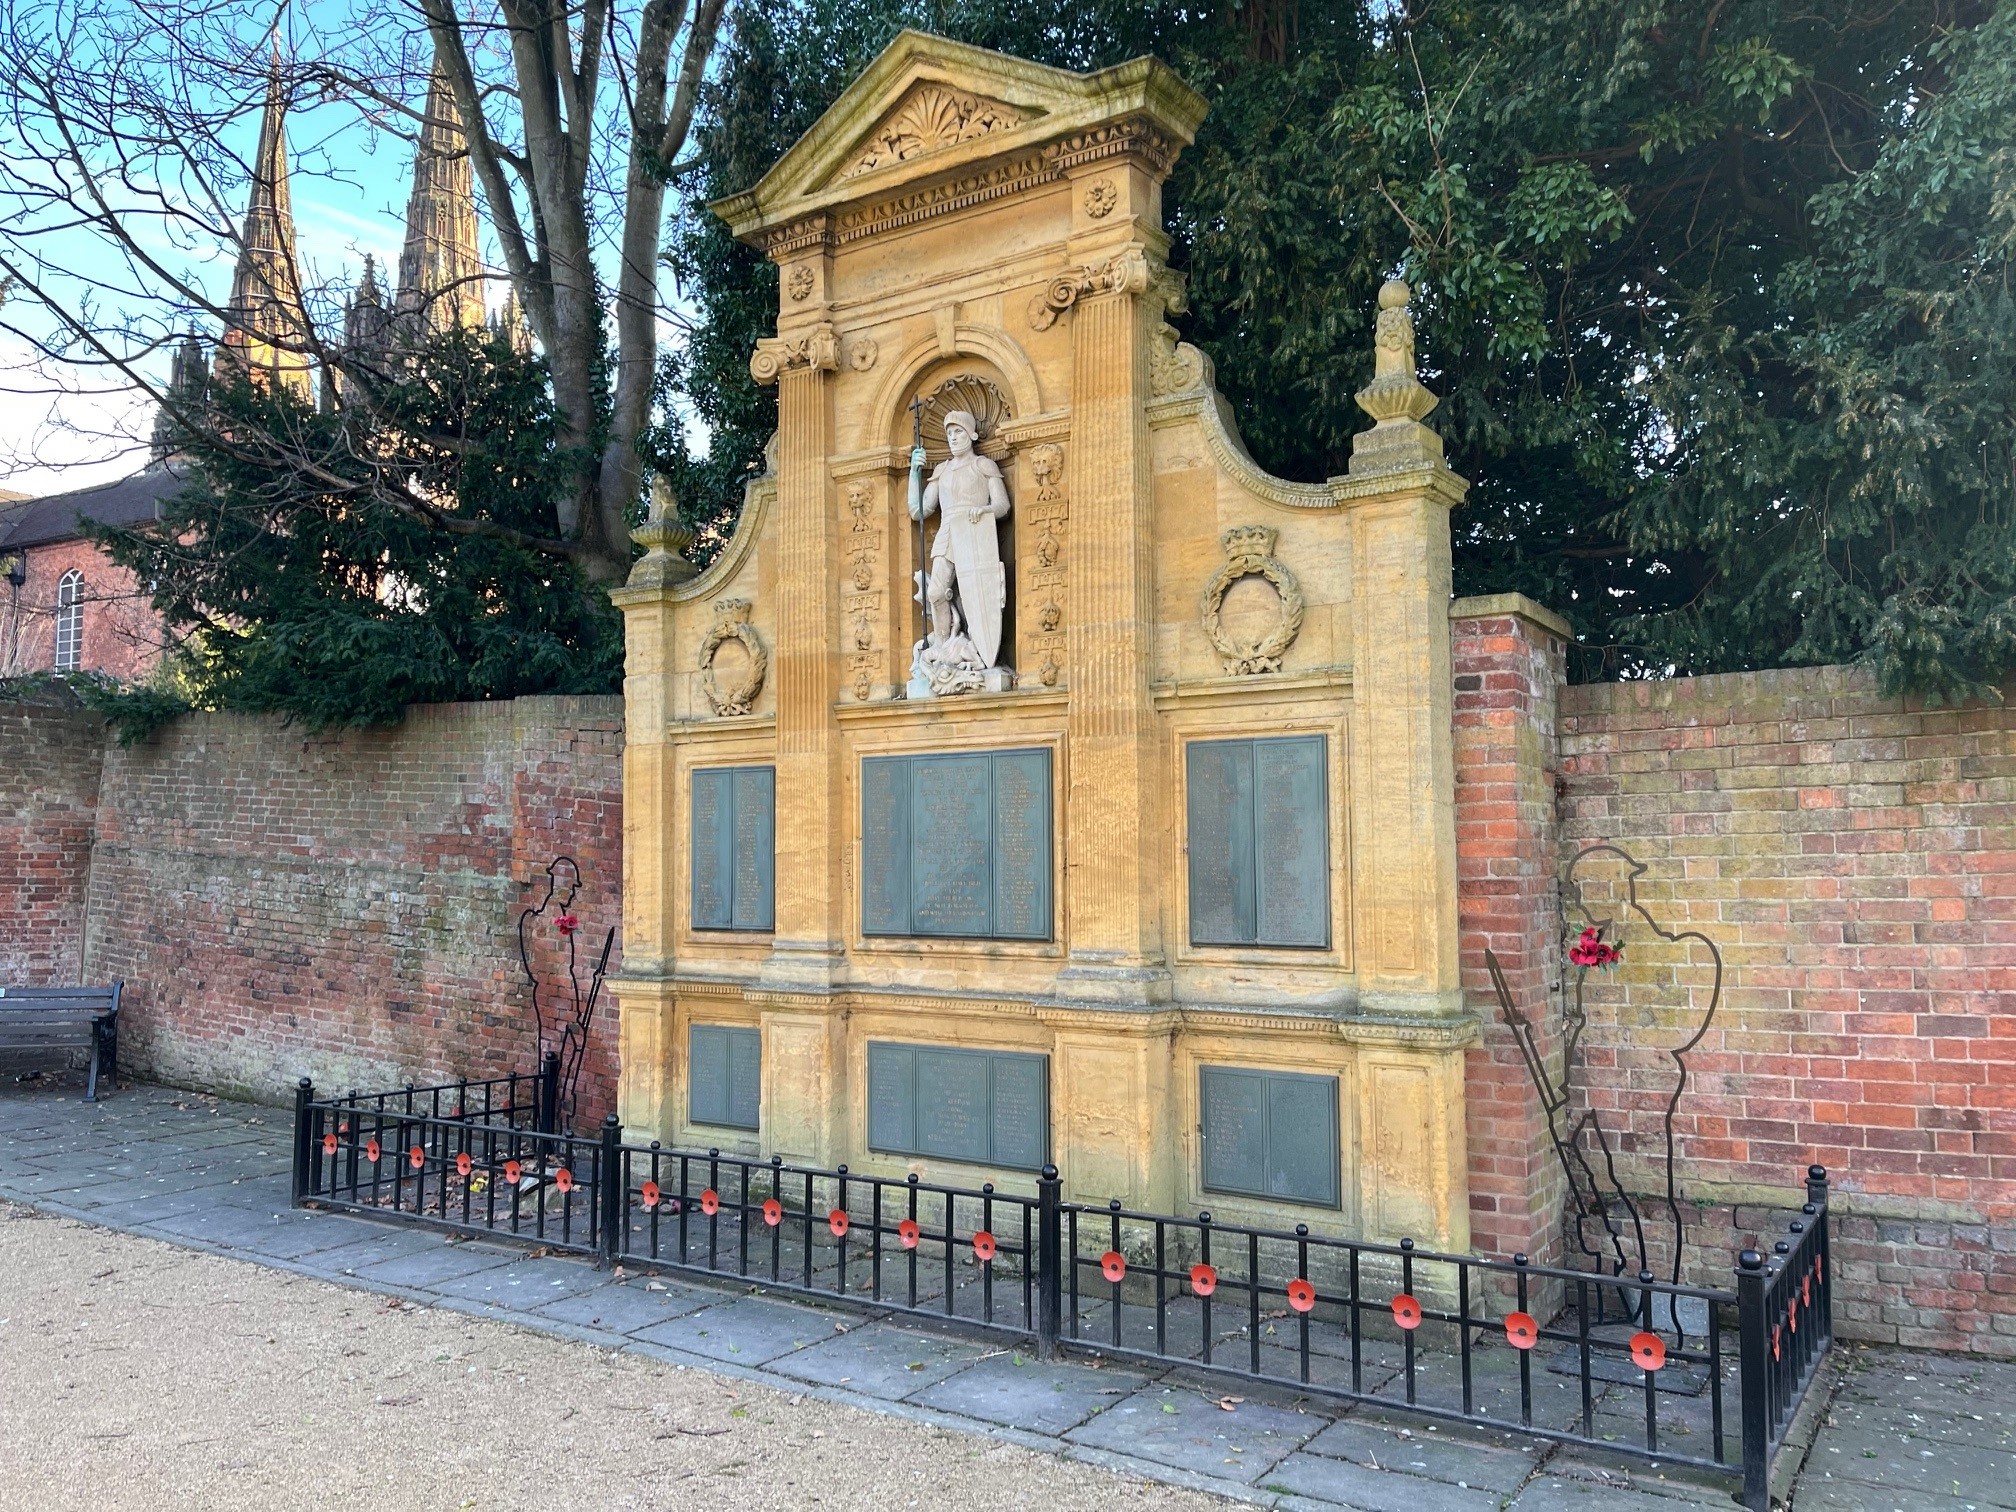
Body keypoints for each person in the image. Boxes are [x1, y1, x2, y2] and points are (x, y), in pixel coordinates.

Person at [908, 408, 1011, 669]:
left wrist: (985, 510)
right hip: (947, 533)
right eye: (949, 433)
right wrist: (913, 473)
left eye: (958, 432)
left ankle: (978, 648)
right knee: (936, 592)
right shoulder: (942, 470)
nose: (953, 438)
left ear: (972, 434)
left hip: (975, 534)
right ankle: (944, 649)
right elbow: (918, 510)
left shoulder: (983, 465)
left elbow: (1002, 505)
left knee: (972, 594)